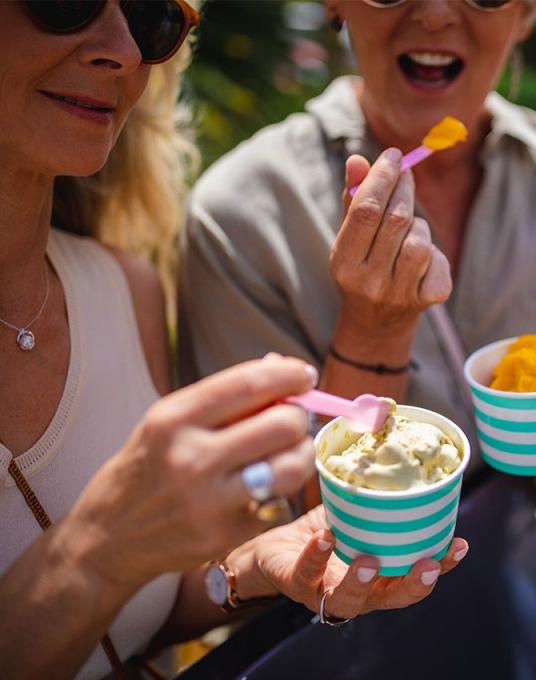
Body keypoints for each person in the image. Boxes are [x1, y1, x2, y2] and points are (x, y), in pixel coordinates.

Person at [0, 3, 464, 678]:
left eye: (150, 17)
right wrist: (98, 547)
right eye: (64, 1)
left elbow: (151, 608)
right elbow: (109, 560)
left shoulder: (126, 292)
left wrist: (258, 570)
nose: (124, 50)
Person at [178, 0, 536, 677]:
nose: (435, 13)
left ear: (529, 12)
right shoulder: (242, 216)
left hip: (507, 622)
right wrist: (374, 326)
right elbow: (272, 532)